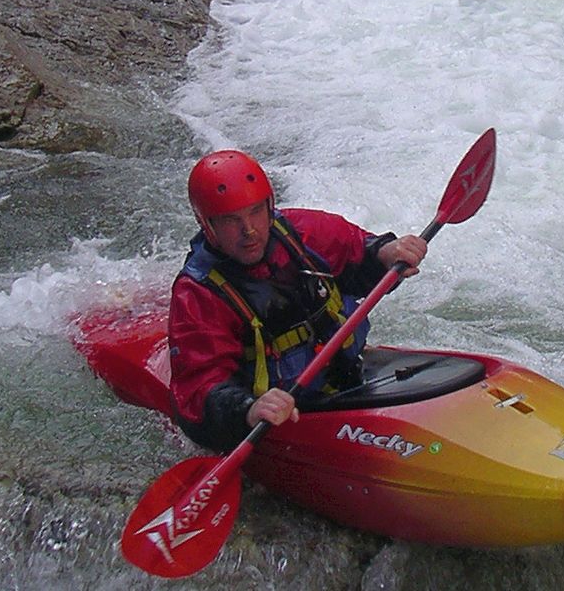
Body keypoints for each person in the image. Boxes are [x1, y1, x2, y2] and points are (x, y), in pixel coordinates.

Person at [167, 149, 428, 452]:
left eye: (255, 211)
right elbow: (198, 391)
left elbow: (357, 250)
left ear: (270, 206)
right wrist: (247, 410)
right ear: (207, 225)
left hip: (347, 381)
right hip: (277, 418)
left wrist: (386, 253)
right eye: (230, 221)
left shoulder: (303, 232)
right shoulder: (198, 294)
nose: (249, 230)